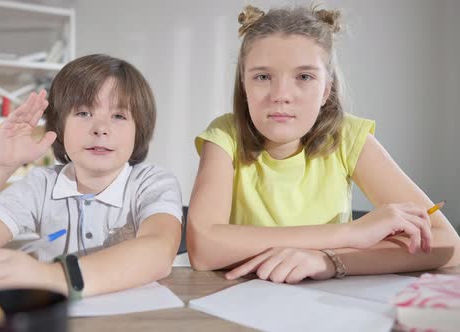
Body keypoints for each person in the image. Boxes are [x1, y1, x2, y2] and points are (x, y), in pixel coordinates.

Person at [187, 5, 460, 283]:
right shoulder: (225, 136)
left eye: (304, 77)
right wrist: (350, 234)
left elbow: (447, 244)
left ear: (326, 90)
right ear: (244, 87)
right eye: (263, 77)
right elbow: (203, 248)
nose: (281, 95)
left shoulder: (348, 136)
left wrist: (329, 260)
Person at [0, 54, 183, 297]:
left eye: (118, 116)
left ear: (139, 131)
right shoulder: (41, 185)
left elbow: (159, 251)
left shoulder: (153, 182)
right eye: (84, 113)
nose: (100, 129)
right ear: (59, 127)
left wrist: (50, 276)